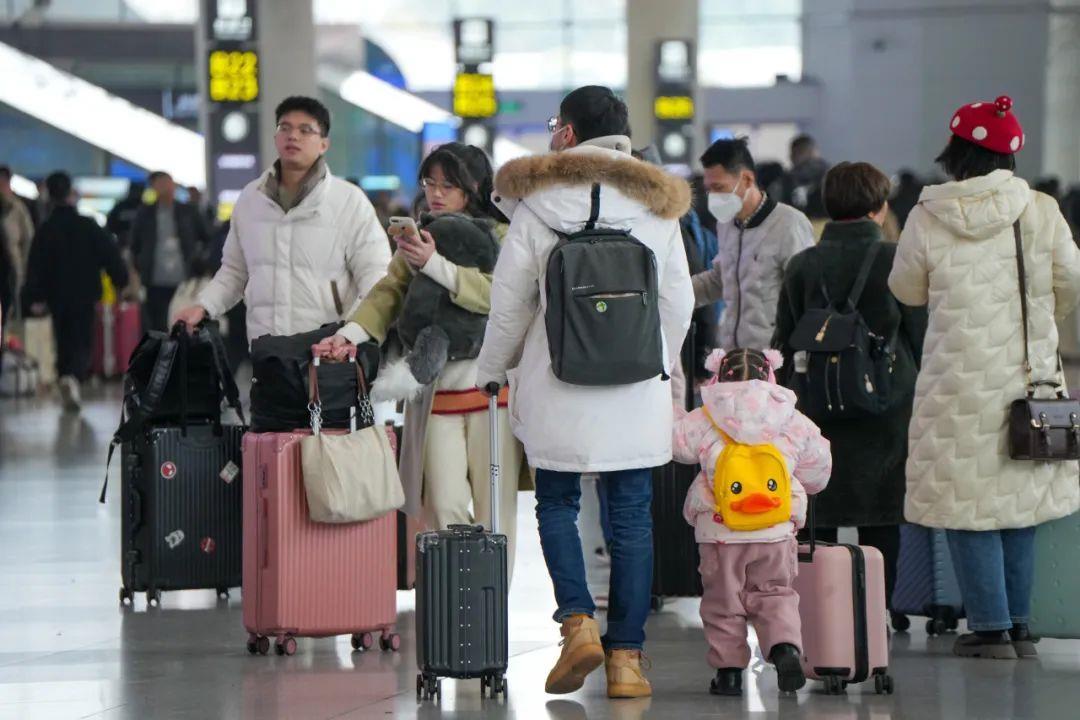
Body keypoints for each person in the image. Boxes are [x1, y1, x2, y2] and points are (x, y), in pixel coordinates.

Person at [475, 85, 694, 699]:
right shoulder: (656, 205)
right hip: (635, 387)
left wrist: (492, 369)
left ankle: (577, 624)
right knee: (631, 518)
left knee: (556, 505)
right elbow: (679, 300)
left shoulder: (536, 205)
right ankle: (626, 661)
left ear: (568, 134)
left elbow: (510, 306)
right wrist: (655, 363)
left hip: (557, 381)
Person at [889, 96, 1080, 659]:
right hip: (1030, 379)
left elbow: (907, 290)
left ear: (955, 153)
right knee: (1022, 500)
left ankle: (990, 628)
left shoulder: (928, 214)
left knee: (964, 501)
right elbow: (1071, 279)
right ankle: (1018, 625)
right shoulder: (1040, 209)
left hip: (955, 382)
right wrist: (1043, 318)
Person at [323, 143, 530, 576]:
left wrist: (435, 264)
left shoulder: (505, 235)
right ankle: (455, 599)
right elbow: (387, 293)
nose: (435, 193)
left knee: (496, 511)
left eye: (447, 185)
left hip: (494, 395)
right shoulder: (418, 237)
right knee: (443, 505)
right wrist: (349, 335)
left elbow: (502, 296)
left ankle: (492, 603)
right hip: (433, 393)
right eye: (429, 183)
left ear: (474, 187)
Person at [773, 161, 927, 608]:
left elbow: (783, 340)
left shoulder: (803, 265)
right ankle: (876, 615)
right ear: (879, 208)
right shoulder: (896, 259)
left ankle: (824, 617)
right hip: (887, 406)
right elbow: (920, 335)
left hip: (817, 406)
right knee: (882, 517)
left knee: (819, 512)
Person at [674, 348, 830, 697]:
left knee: (723, 602)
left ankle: (729, 673)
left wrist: (673, 412)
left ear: (718, 376)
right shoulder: (791, 416)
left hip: (719, 531)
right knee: (775, 593)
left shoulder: (707, 414)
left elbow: (678, 446)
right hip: (775, 530)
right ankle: (785, 648)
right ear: (771, 375)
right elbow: (819, 469)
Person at [173, 96, 391, 342]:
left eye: (305, 130)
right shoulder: (251, 198)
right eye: (285, 128)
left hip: (328, 346)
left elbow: (376, 275)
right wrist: (203, 306)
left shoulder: (349, 201)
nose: (293, 136)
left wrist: (352, 333)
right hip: (266, 345)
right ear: (276, 137)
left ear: (323, 144)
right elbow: (234, 272)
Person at [691, 138, 814, 352]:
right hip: (734, 356)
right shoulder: (726, 224)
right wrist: (673, 290)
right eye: (709, 189)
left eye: (719, 187)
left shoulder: (789, 224)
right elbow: (721, 279)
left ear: (747, 179)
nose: (713, 197)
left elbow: (807, 294)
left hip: (775, 357)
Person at [22, 172, 129, 411]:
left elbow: (35, 265)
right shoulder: (87, 225)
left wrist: (34, 296)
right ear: (71, 193)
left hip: (56, 295)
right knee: (82, 338)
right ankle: (74, 376)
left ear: (49, 195)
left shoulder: (46, 229)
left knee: (63, 337)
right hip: (85, 292)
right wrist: (120, 280)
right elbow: (110, 254)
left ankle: (66, 374)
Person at [129, 171, 211, 331]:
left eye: (167, 183)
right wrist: (138, 268)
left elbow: (207, 237)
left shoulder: (188, 211)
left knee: (185, 324)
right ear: (153, 187)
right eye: (160, 184)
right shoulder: (145, 213)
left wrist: (200, 260)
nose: (165, 188)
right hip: (155, 281)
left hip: (185, 280)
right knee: (158, 325)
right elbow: (135, 245)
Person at [0, 165, 36, 302]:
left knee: (10, 301)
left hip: (10, 265)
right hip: (11, 264)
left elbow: (27, 239)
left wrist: (25, 269)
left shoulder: (18, 207)